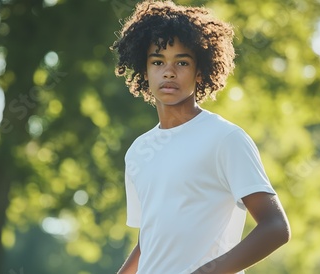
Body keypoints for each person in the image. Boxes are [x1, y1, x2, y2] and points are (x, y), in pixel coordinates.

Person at [110, 1, 291, 273]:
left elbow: (275, 227)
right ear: (144, 71)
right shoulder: (138, 151)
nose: (169, 71)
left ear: (200, 71)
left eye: (182, 62)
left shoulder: (225, 138)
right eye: (157, 62)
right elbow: (149, 240)